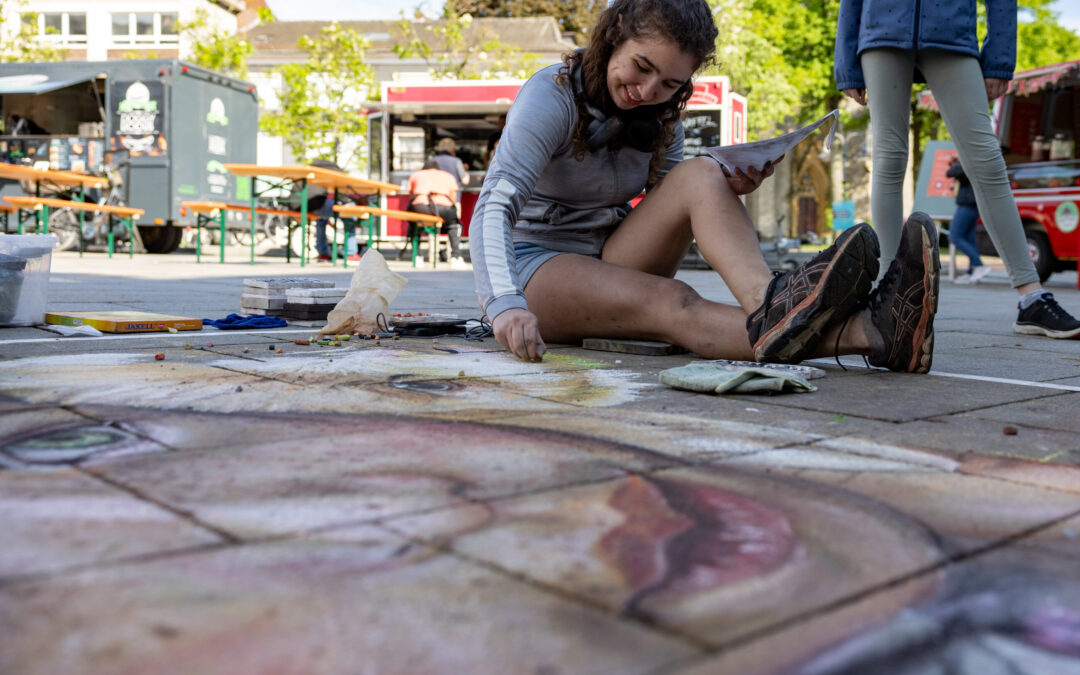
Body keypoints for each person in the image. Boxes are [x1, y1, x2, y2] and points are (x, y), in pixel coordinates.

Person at [471, 0, 940, 372]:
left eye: (670, 83)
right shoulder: (551, 96)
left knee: (700, 172)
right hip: (534, 269)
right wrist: (505, 304)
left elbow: (668, 202)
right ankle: (868, 333)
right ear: (613, 37)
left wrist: (729, 185)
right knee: (671, 304)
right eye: (641, 66)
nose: (649, 91)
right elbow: (492, 207)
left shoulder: (661, 114)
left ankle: (769, 302)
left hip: (608, 253)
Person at [835, 0, 1080, 339]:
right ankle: (889, 298)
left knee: (987, 160)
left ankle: (1032, 299)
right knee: (889, 159)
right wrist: (846, 63)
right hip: (881, 32)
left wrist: (999, 57)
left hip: (951, 32)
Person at [405, 159, 466, 268]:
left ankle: (417, 256)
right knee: (454, 225)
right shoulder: (448, 176)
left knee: (414, 224)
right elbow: (453, 197)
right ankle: (455, 257)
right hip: (444, 206)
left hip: (421, 207)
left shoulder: (416, 175)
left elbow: (411, 193)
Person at [945, 157, 990, 284]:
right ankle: (972, 272)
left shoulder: (967, 160)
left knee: (954, 236)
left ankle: (978, 265)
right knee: (969, 239)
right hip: (974, 204)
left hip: (967, 204)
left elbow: (951, 173)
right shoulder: (979, 160)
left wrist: (956, 163)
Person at [431, 137, 470, 203]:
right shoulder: (456, 161)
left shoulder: (432, 161)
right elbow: (465, 181)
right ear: (452, 149)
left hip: (434, 200)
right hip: (453, 200)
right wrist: (465, 170)